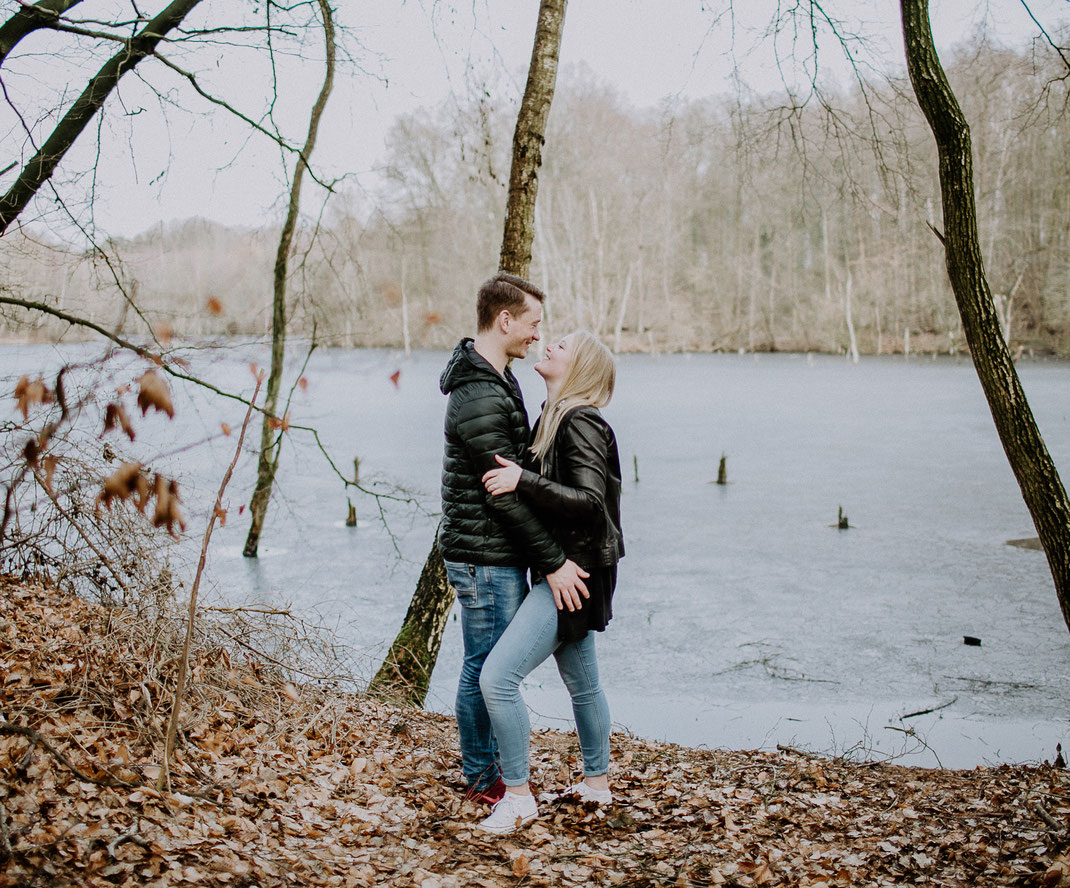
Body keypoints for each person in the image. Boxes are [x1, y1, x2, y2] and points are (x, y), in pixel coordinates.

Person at [438, 272, 590, 805]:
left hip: (493, 551)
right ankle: (484, 780)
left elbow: (518, 476)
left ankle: (489, 772)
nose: (536, 335)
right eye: (532, 324)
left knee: (485, 665)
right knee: (485, 667)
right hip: (484, 556)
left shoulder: (497, 379)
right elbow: (503, 494)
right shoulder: (480, 392)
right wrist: (552, 562)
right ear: (504, 321)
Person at [473, 330, 624, 834]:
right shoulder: (555, 417)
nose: (550, 346)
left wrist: (522, 480)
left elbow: (590, 502)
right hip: (574, 568)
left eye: (562, 345)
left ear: (579, 366)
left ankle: (517, 797)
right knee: (584, 684)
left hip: (572, 572)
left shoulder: (580, 422)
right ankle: (596, 785)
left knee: (497, 679)